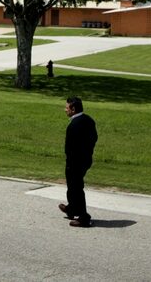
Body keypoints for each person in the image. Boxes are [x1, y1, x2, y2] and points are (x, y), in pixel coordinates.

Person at [58, 96, 98, 227]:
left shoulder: (74, 125)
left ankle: (83, 217)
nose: (65, 110)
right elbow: (94, 138)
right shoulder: (89, 120)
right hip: (86, 159)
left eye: (67, 107)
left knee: (76, 188)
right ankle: (71, 209)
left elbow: (70, 147)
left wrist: (70, 161)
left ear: (73, 109)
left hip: (75, 162)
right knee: (73, 186)